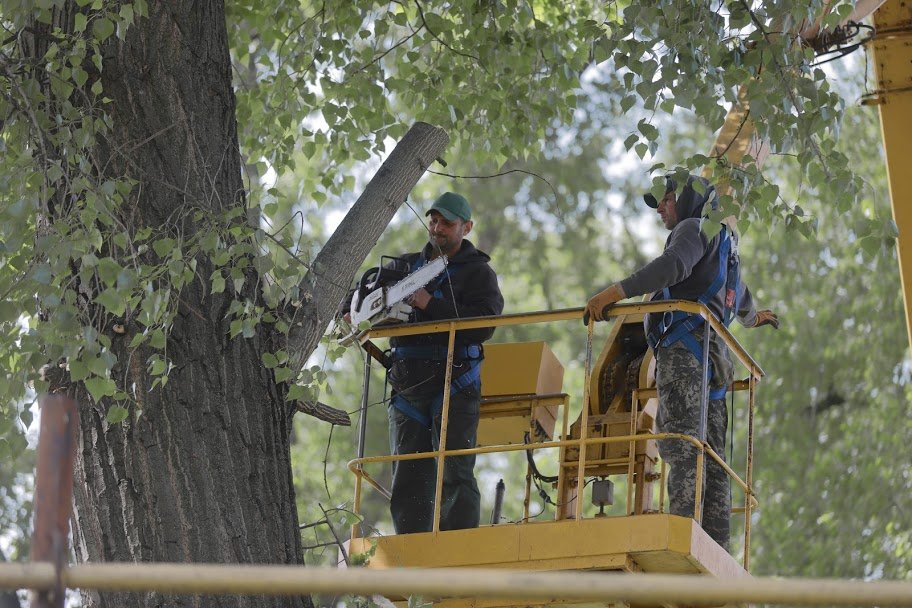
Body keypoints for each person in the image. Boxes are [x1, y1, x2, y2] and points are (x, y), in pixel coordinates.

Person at [584, 174, 779, 550]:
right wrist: (755, 319)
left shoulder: (692, 227)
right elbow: (740, 300)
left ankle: (683, 538)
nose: (660, 208)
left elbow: (673, 266)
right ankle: (715, 545)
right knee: (714, 457)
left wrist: (615, 292)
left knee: (682, 443)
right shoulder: (727, 242)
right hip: (717, 359)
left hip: (685, 353)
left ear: (688, 199)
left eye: (666, 199)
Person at [382, 192, 504, 534]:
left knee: (455, 470)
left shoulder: (478, 274)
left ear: (466, 227)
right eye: (433, 221)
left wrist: (428, 304)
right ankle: (412, 550)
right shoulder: (403, 267)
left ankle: (457, 549)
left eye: (446, 223)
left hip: (456, 382)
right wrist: (350, 308)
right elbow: (364, 291)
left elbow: (484, 325)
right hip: (408, 385)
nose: (436, 229)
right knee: (408, 471)